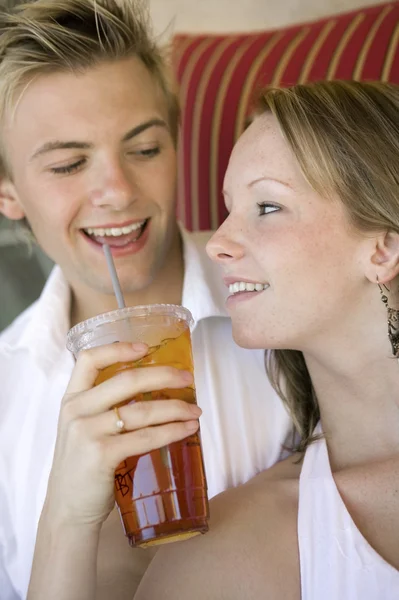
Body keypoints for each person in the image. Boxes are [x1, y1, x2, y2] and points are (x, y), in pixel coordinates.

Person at [26, 79, 399, 600]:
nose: (218, 241)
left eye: (267, 207)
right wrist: (67, 520)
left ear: (382, 249)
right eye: (227, 209)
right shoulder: (233, 551)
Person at [0, 1, 292, 599]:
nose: (117, 191)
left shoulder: (293, 302)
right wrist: (65, 519)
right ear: (7, 194)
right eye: (69, 163)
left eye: (145, 149)